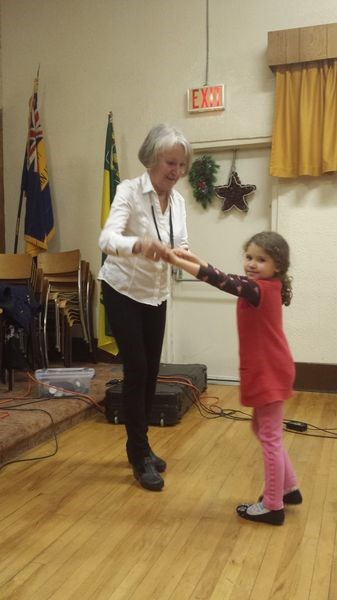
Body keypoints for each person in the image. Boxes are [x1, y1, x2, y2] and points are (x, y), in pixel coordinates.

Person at [160, 231, 302, 525]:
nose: (252, 263)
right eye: (249, 257)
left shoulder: (258, 289)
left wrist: (177, 260)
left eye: (261, 260)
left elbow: (219, 279)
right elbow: (224, 275)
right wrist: (192, 258)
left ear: (277, 266)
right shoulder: (264, 285)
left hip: (269, 372)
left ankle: (274, 504)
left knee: (269, 437)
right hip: (272, 369)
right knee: (262, 430)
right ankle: (288, 488)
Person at [98, 123, 192, 492]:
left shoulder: (179, 202)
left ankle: (144, 445)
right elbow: (106, 239)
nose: (177, 171)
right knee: (136, 368)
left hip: (156, 293)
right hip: (122, 289)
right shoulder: (128, 191)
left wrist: (183, 255)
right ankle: (138, 456)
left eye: (182, 165)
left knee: (151, 371)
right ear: (153, 158)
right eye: (171, 162)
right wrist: (139, 245)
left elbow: (180, 243)